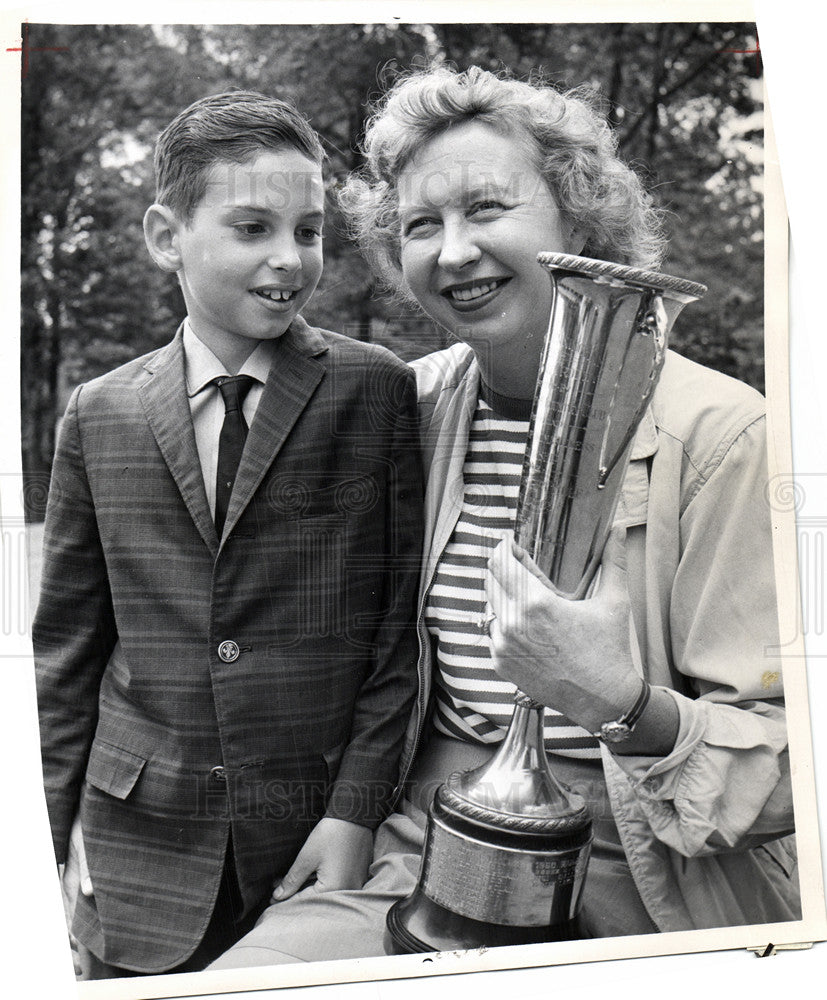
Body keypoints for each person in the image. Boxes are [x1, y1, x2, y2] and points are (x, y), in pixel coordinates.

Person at [209, 66, 799, 968]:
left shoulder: (723, 436)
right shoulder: (410, 407)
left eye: (485, 208)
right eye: (419, 225)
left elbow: (793, 773)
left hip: (647, 867)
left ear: (579, 219)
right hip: (423, 833)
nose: (450, 253)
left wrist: (619, 703)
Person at [33, 90, 423, 978]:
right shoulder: (100, 414)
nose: (289, 258)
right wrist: (49, 844)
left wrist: (354, 813)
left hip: (309, 843)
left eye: (310, 230)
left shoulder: (373, 392)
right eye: (252, 228)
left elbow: (394, 636)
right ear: (167, 236)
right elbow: (66, 653)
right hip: (135, 852)